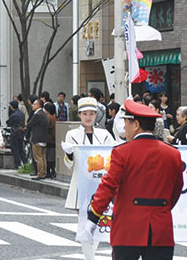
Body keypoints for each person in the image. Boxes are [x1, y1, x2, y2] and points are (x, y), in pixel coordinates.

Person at [85, 100, 184, 260]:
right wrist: (161, 209)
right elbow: (176, 189)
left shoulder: (122, 152)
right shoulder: (173, 154)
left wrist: (93, 217)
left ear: (136, 124)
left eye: (126, 122)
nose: (124, 127)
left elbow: (108, 186)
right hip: (161, 228)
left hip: (128, 229)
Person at [61, 97, 114, 260]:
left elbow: (114, 155)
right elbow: (69, 164)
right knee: (85, 222)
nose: (89, 117)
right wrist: (69, 153)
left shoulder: (104, 135)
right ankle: (89, 257)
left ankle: (91, 255)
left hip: (101, 185)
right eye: (85, 114)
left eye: (92, 113)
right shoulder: (72, 134)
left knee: (99, 222)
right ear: (79, 115)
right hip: (81, 186)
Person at [29, 99, 49, 180]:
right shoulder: (44, 114)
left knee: (38, 157)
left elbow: (30, 124)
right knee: (43, 157)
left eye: (34, 104)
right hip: (44, 138)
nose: (32, 106)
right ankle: (44, 172)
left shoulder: (37, 115)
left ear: (38, 105)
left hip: (37, 138)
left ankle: (40, 173)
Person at [6, 100, 26, 169]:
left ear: (12, 107)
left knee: (15, 149)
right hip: (21, 133)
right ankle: (25, 163)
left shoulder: (14, 115)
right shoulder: (22, 114)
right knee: (21, 149)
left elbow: (8, 123)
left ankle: (17, 164)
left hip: (14, 133)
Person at [43, 102, 56, 178]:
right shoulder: (54, 117)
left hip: (49, 139)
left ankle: (49, 172)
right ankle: (52, 171)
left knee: (49, 157)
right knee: (52, 156)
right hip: (53, 139)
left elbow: (47, 128)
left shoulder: (49, 118)